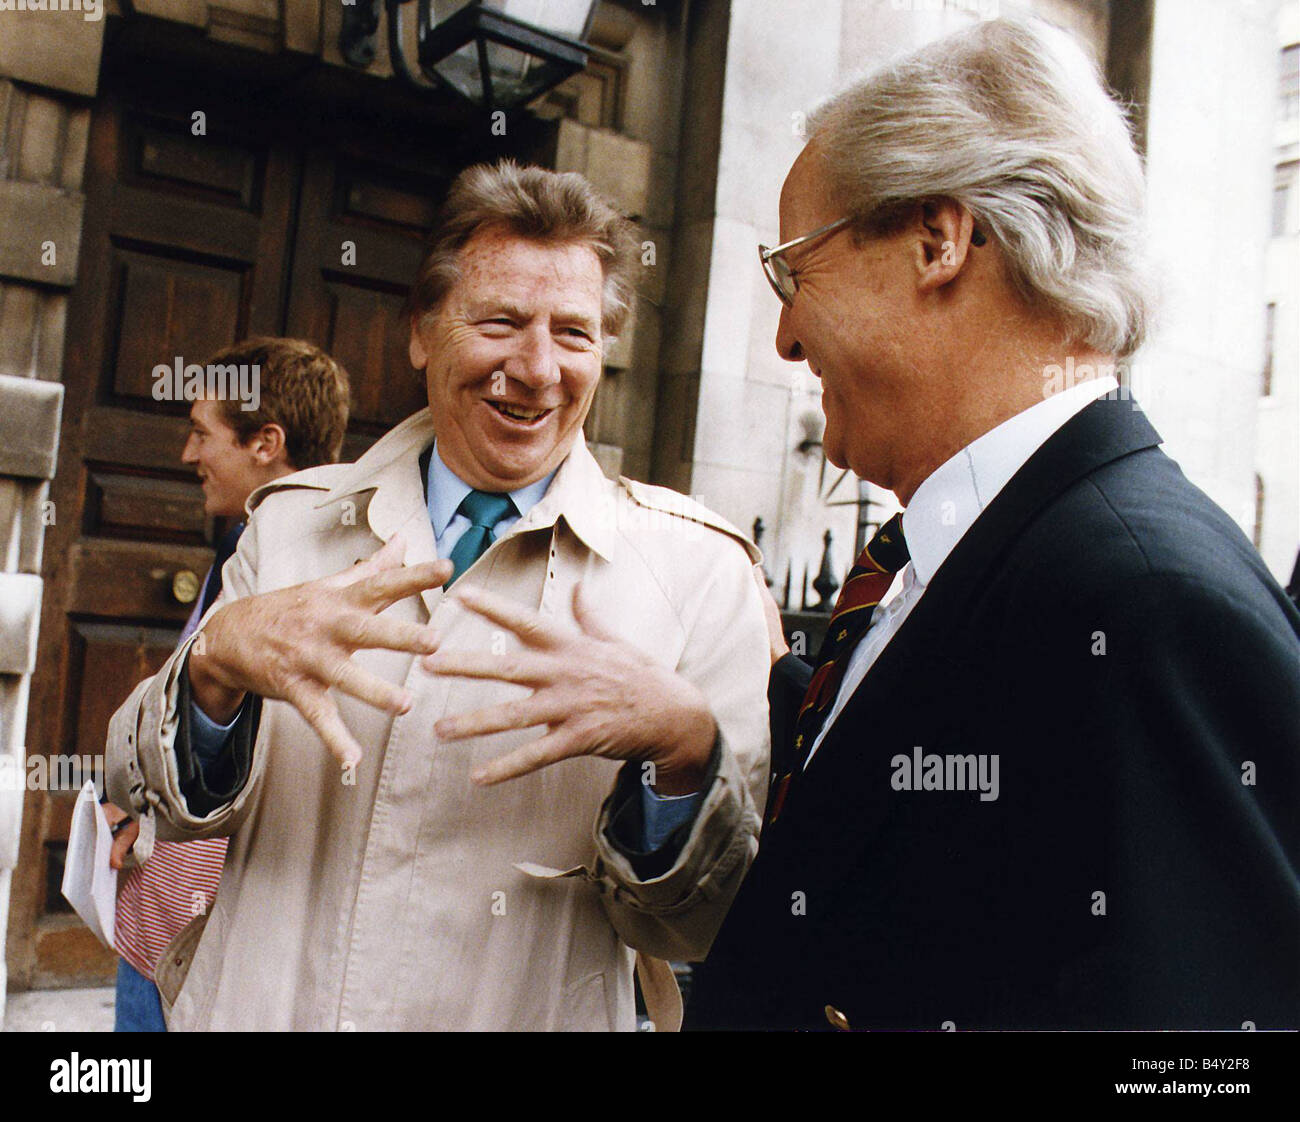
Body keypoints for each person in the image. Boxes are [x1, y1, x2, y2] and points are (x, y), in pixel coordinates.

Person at [443, 19, 1300, 1031]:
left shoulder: (1145, 601)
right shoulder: (981, 560)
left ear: (938, 239)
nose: (786, 332)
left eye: (794, 270)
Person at [105, 161, 771, 1031]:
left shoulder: (699, 572)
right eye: (499, 322)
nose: (536, 369)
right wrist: (213, 673)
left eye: (573, 334)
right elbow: (150, 804)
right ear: (421, 330)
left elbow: (700, 923)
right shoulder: (291, 529)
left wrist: (685, 754)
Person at [104, 337, 351, 1031]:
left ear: (265, 442)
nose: (189, 455)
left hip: (216, 909)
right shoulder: (241, 542)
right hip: (169, 881)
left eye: (200, 434)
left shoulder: (315, 570)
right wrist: (136, 797)